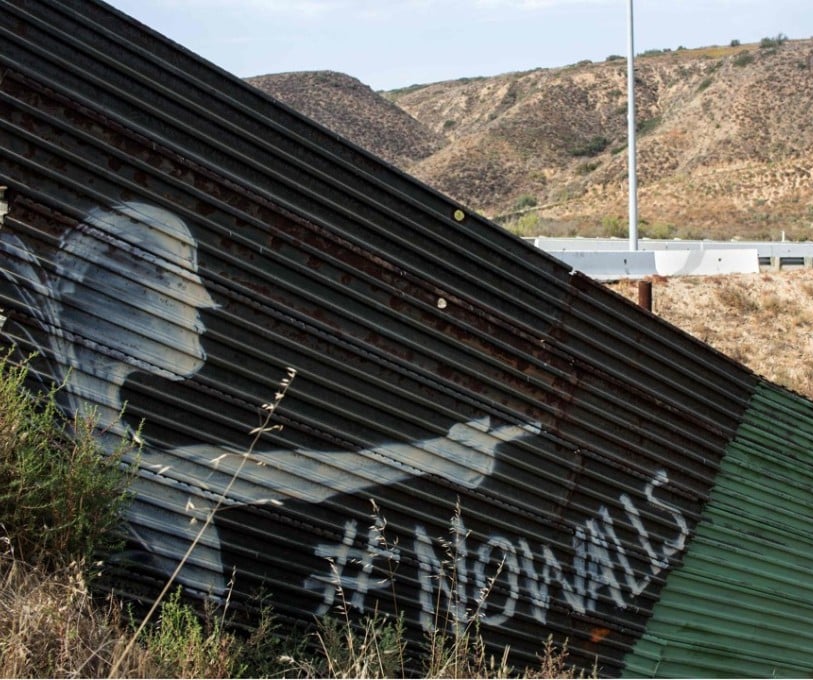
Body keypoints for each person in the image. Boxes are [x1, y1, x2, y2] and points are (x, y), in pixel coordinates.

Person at [0, 200, 539, 606]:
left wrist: (436, 455)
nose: (202, 301)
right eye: (178, 277)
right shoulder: (91, 451)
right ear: (120, 289)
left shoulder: (95, 440)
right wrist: (437, 456)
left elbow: (238, 472)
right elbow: (254, 473)